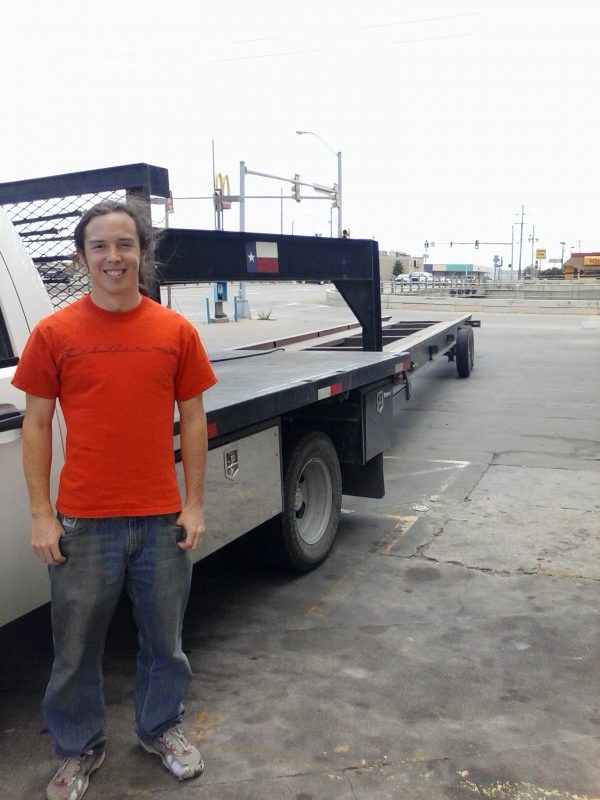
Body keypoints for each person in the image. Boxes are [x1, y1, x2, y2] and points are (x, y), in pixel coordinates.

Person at [12, 198, 217, 800]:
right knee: (75, 649)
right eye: (99, 246)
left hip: (160, 519)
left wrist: (195, 503)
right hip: (82, 521)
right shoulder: (54, 334)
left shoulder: (174, 331)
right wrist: (42, 514)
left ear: (143, 254)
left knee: (166, 642)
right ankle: (78, 750)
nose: (113, 256)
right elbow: (36, 425)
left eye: (125, 244)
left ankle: (161, 729)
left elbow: (195, 419)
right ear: (82, 258)